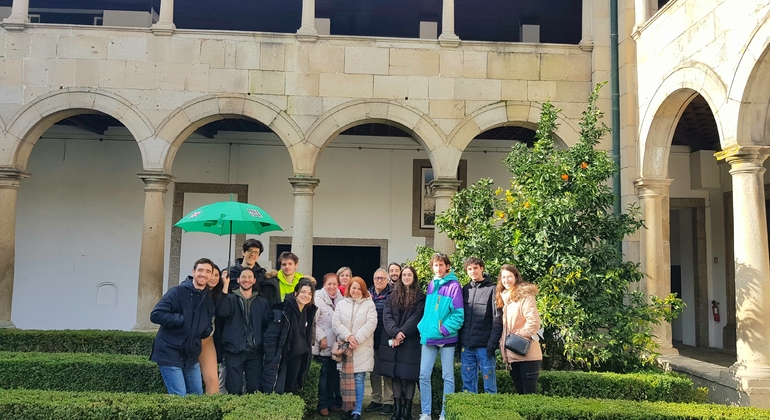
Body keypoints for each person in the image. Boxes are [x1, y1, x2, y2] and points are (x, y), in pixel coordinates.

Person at [150, 258, 217, 396]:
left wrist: (206, 330)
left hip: (191, 355)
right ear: (193, 272)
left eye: (207, 271)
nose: (203, 274)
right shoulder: (177, 292)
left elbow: (208, 321)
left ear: (211, 275)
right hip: (170, 351)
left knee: (196, 395)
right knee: (179, 395)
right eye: (200, 270)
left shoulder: (208, 298)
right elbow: (156, 314)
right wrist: (181, 319)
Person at [417, 253, 464, 420]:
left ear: (447, 266)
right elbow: (429, 312)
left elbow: (458, 315)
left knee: (447, 376)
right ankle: (426, 413)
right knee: (423, 375)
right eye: (435, 265)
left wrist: (443, 330)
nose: (438, 268)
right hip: (429, 337)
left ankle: (445, 414)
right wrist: (423, 327)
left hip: (446, 338)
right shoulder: (431, 284)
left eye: (441, 265)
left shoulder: (454, 285)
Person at [378, 266, 425, 420]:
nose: (406, 277)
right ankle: (397, 411)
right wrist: (395, 333)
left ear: (414, 277)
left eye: (409, 274)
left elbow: (416, 317)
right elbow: (387, 316)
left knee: (410, 375)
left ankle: (407, 412)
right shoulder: (392, 295)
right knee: (395, 374)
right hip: (393, 338)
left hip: (410, 340)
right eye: (404, 275)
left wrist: (402, 333)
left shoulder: (420, 297)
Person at [217, 267, 272, 395]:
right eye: (243, 277)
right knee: (234, 389)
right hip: (234, 350)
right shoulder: (230, 298)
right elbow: (222, 312)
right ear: (238, 280)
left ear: (254, 281)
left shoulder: (262, 302)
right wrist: (225, 286)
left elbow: (266, 325)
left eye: (249, 277)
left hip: (255, 352)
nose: (246, 280)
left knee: (254, 389)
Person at [262, 278, 318, 394]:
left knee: (290, 389)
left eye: (309, 294)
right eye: (303, 292)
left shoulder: (308, 311)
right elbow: (270, 336)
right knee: (277, 390)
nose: (306, 296)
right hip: (282, 356)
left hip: (297, 357)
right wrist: (272, 358)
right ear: (296, 292)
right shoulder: (282, 310)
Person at [333, 276, 378, 420]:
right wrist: (348, 336)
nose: (356, 291)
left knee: (359, 378)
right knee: (346, 379)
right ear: (349, 288)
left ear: (363, 290)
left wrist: (356, 339)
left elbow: (371, 324)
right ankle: (348, 408)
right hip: (346, 346)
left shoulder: (369, 304)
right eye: (354, 288)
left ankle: (357, 411)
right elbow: (336, 322)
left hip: (361, 347)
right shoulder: (341, 303)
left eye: (359, 288)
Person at [494, 264, 541, 394]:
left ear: (516, 277)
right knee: (520, 394)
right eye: (503, 277)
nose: (506, 280)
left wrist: (513, 339)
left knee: (529, 395)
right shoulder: (504, 300)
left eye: (509, 276)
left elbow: (533, 323)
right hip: (512, 354)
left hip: (528, 355)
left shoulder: (525, 296)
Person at [459, 257, 499, 394]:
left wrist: (492, 345)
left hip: (485, 346)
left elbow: (497, 319)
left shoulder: (492, 289)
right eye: (469, 269)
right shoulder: (465, 289)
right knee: (467, 388)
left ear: (482, 268)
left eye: (475, 268)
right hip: (467, 346)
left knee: (489, 388)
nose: (472, 271)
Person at [313, 273, 344, 416]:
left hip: (336, 347)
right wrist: (321, 337)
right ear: (324, 285)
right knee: (323, 377)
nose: (332, 287)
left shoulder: (341, 300)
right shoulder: (317, 299)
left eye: (334, 284)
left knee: (334, 377)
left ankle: (332, 403)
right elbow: (313, 322)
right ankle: (322, 404)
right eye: (329, 284)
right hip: (323, 346)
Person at [366, 268, 394, 415]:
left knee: (387, 371)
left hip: (387, 338)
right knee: (374, 371)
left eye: (382, 278)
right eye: (377, 278)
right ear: (373, 279)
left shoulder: (393, 294)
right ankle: (376, 399)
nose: (379, 280)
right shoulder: (367, 294)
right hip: (371, 339)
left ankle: (389, 401)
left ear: (387, 280)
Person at [228, 239, 280, 306]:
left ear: (259, 256)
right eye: (250, 251)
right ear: (243, 252)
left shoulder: (262, 274)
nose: (252, 254)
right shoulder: (230, 272)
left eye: (256, 252)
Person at [199, 263, 224, 395]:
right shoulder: (195, 292)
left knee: (213, 380)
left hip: (208, 340)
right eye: (211, 274)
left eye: (216, 275)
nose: (213, 278)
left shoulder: (219, 294)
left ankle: (211, 405)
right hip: (192, 339)